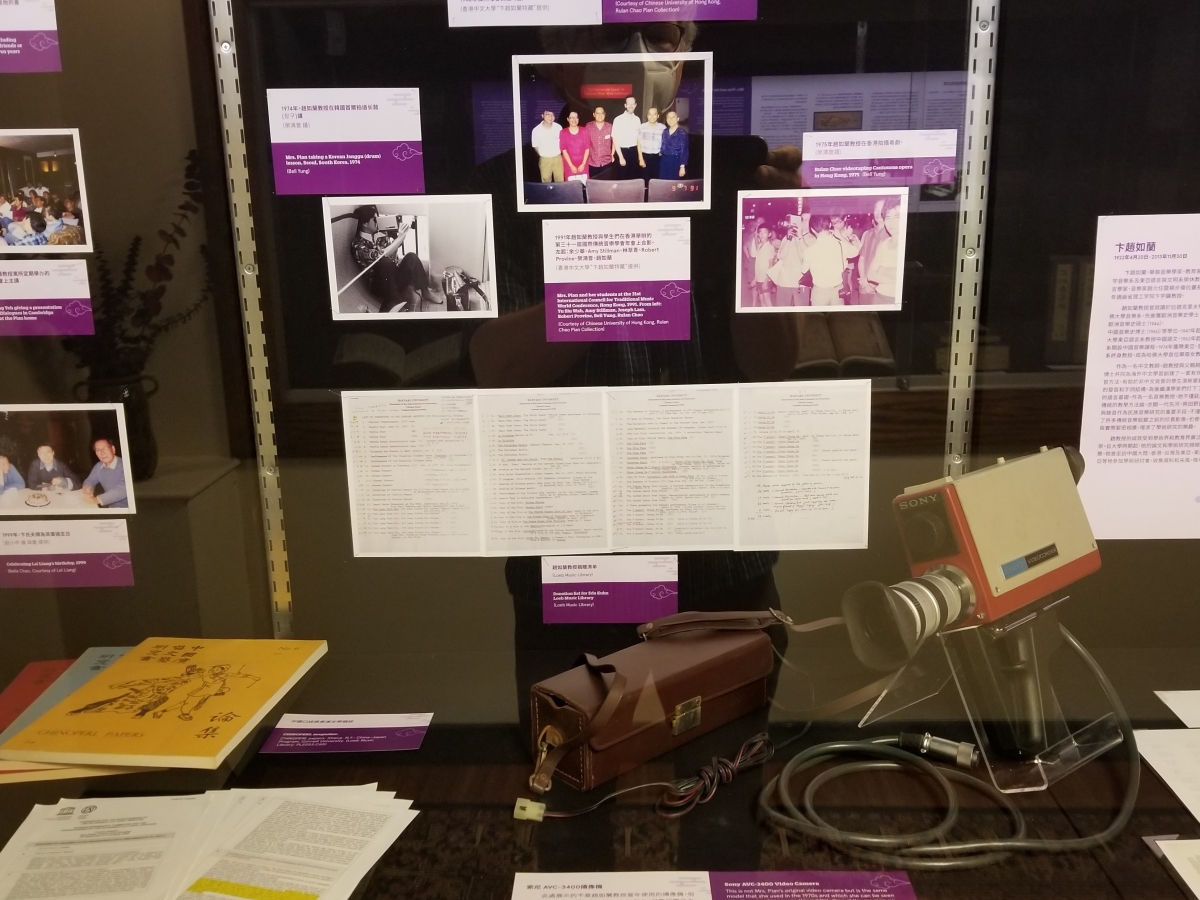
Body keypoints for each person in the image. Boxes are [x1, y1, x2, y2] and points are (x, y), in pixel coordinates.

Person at [803, 214, 860, 306]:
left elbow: (804, 270)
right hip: (838, 291)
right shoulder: (840, 245)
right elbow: (855, 252)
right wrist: (842, 236)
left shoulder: (809, 251)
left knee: (820, 318)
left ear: (812, 230)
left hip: (819, 292)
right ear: (830, 226)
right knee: (837, 318)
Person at [867, 196, 903, 305]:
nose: (891, 222)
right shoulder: (883, 244)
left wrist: (881, 270)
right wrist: (895, 279)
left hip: (895, 300)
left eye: (897, 217)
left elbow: (903, 274)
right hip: (878, 297)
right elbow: (870, 274)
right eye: (888, 217)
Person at [767, 218, 809, 306]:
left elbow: (807, 257)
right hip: (784, 280)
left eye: (806, 220)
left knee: (802, 313)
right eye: (801, 220)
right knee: (783, 311)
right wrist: (788, 239)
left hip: (801, 282)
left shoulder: (811, 238)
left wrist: (800, 237)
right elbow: (781, 256)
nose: (803, 222)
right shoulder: (786, 238)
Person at [854, 199, 888, 306]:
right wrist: (864, 280)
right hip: (864, 285)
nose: (878, 213)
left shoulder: (891, 235)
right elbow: (862, 258)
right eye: (876, 209)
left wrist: (872, 285)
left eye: (882, 209)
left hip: (880, 287)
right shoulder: (868, 233)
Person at [82, 438, 129, 508]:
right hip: (111, 507)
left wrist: (97, 499)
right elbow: (90, 480)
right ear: (96, 454)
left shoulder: (125, 465)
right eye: (98, 450)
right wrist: (88, 487)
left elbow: (124, 489)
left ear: (113, 449)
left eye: (105, 448)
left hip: (127, 507)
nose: (102, 453)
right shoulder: (99, 466)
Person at [746, 223, 777, 307]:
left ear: (769, 234)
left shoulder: (769, 248)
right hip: (759, 279)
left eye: (765, 232)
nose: (762, 234)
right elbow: (758, 265)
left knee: (767, 301)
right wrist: (755, 279)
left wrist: (766, 281)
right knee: (761, 300)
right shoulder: (760, 246)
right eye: (760, 232)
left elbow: (771, 266)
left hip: (765, 280)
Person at [610, 96, 641, 179]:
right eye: (628, 104)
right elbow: (615, 139)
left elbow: (638, 139)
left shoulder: (637, 119)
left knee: (633, 178)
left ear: (635, 105)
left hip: (634, 152)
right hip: (622, 152)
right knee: (621, 178)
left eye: (633, 104)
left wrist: (639, 155)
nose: (631, 106)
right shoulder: (618, 119)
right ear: (625, 105)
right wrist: (621, 157)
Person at [530, 110, 564, 183]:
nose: (550, 117)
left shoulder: (558, 127)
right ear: (542, 116)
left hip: (557, 158)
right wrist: (544, 154)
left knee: (560, 181)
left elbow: (562, 141)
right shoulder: (536, 130)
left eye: (552, 115)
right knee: (546, 181)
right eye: (548, 114)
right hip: (544, 159)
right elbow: (535, 146)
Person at [558, 110, 590, 182]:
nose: (574, 120)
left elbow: (587, 148)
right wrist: (571, 166)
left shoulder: (585, 131)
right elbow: (564, 150)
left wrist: (583, 164)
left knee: (584, 185)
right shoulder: (563, 132)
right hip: (569, 164)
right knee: (571, 187)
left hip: (583, 163)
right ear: (568, 119)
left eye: (576, 117)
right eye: (571, 117)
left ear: (578, 119)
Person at [636, 106, 666, 181]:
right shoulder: (642, 127)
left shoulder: (663, 128)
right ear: (647, 116)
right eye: (650, 114)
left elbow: (665, 141)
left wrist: (662, 151)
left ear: (658, 116)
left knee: (655, 179)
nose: (652, 117)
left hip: (657, 158)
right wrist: (640, 158)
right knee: (644, 179)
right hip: (645, 156)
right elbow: (638, 143)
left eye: (654, 114)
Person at [658, 109, 689, 179]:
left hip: (675, 161)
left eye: (673, 117)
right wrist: (661, 151)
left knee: (673, 185)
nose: (670, 119)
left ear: (677, 119)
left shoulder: (682, 133)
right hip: (664, 160)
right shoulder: (665, 131)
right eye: (668, 118)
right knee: (663, 183)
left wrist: (682, 166)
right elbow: (663, 144)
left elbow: (684, 151)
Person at [585, 106, 614, 180]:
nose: (600, 115)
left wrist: (612, 154)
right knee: (594, 186)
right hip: (592, 162)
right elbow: (585, 143)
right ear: (594, 114)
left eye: (602, 113)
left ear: (605, 114)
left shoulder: (610, 127)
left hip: (607, 162)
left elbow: (615, 141)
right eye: (598, 113)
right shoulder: (588, 126)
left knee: (607, 186)